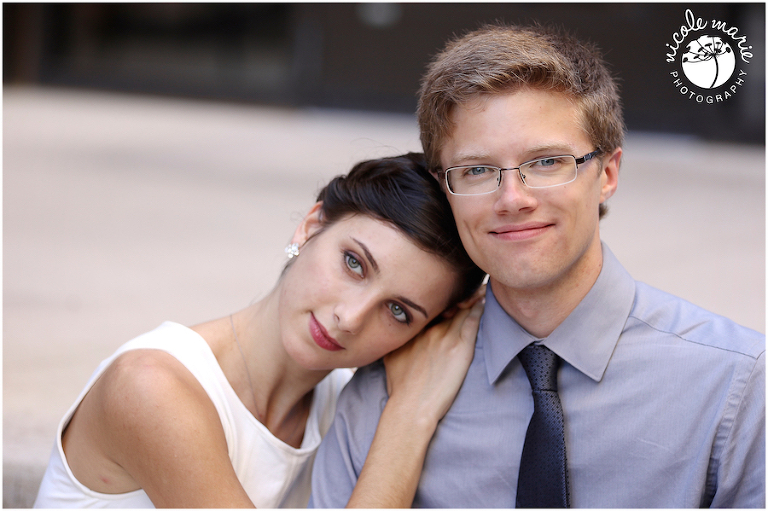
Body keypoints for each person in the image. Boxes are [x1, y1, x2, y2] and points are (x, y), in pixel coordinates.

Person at [310, 24, 765, 508]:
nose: (513, 199)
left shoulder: (735, 387)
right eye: (478, 170)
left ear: (607, 174)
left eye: (547, 162)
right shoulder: (385, 387)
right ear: (446, 188)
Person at [33, 152, 486, 508]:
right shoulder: (151, 387)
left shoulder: (345, 405)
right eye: (353, 263)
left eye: (398, 311)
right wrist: (409, 416)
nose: (350, 317)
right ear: (310, 228)